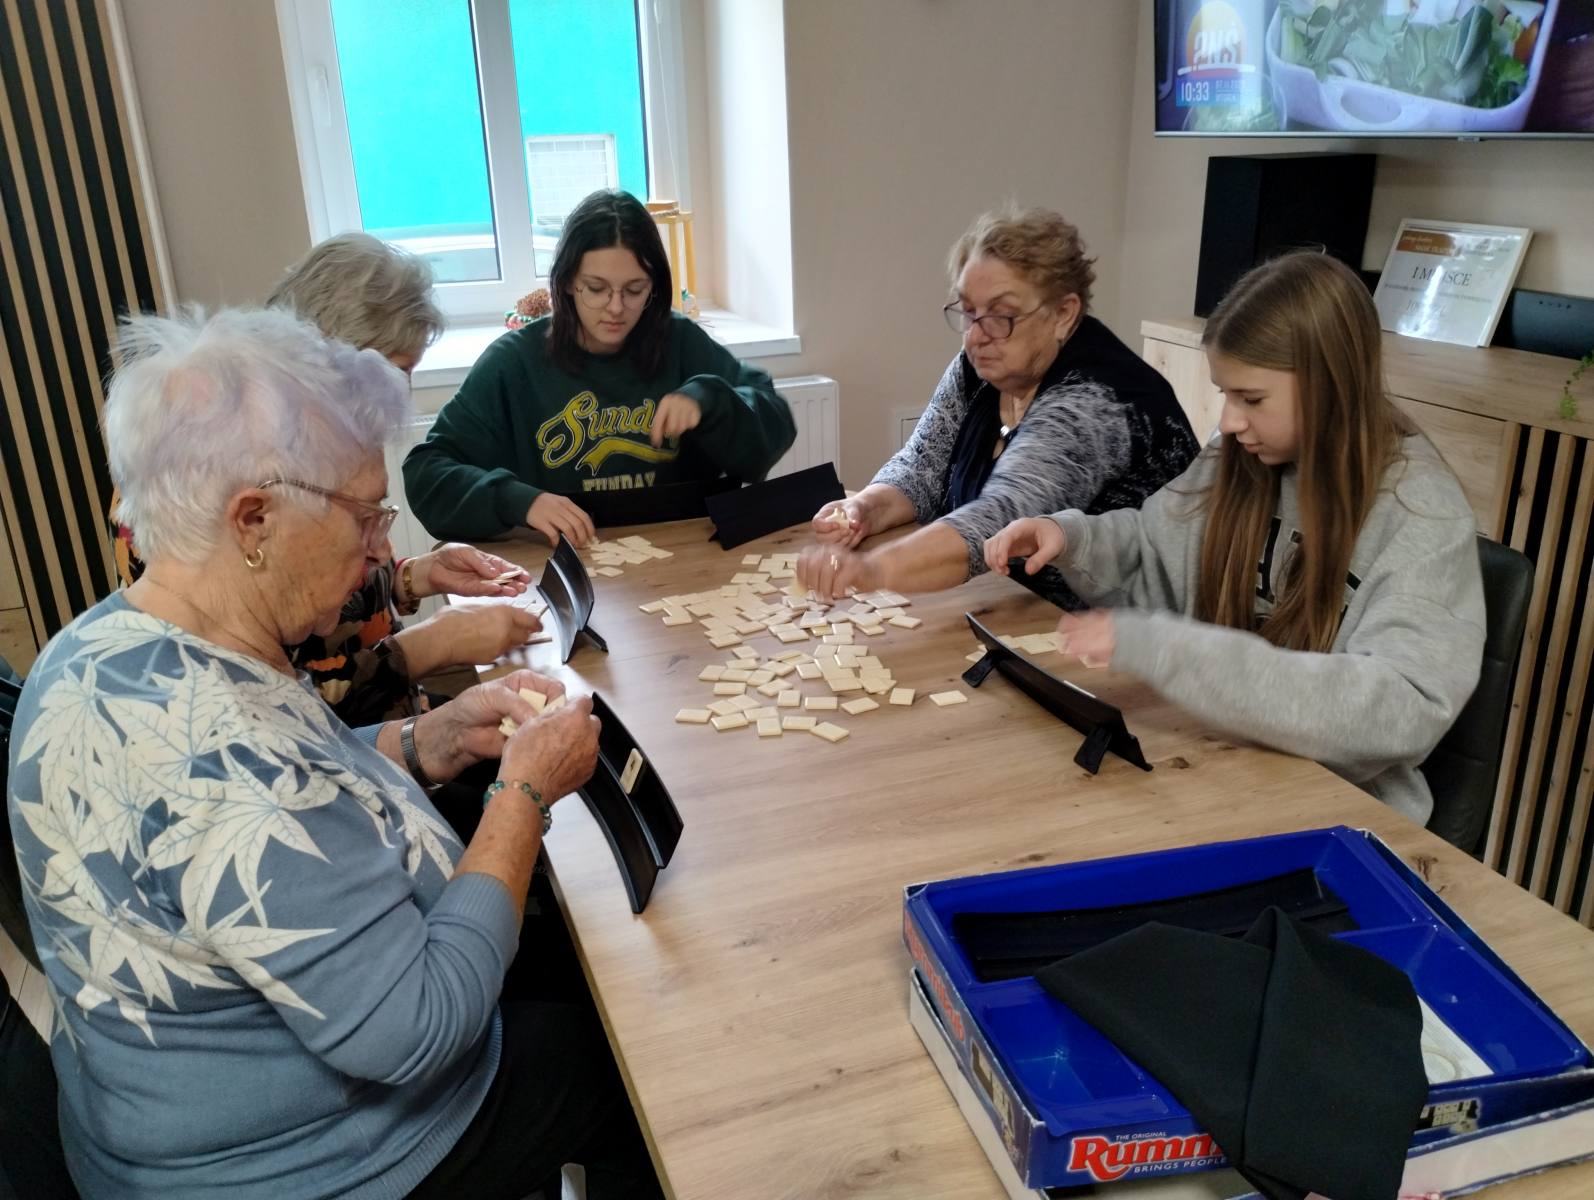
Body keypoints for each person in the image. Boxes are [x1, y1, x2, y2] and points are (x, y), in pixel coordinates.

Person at [9, 309, 662, 1199]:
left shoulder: (104, 644)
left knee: (579, 964)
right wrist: (522, 795)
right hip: (315, 1163)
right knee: (631, 1064)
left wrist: (423, 739)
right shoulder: (223, 759)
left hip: (182, 1118)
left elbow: (292, 778)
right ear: (253, 521)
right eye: (363, 514)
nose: (383, 547)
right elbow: (419, 1029)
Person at [983, 252, 1485, 826]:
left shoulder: (1421, 514)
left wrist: (1174, 651)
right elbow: (1154, 548)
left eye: (1251, 399)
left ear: (1329, 386)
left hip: (1340, 822)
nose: (1227, 421)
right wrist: (1069, 536)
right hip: (1215, 770)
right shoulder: (1238, 457)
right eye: (1225, 394)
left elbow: (1399, 708)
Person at [112, 231, 543, 726]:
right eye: (393, 371)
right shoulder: (195, 490)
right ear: (324, 357)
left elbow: (319, 587)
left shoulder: (303, 450)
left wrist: (413, 576)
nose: (398, 395)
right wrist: (430, 645)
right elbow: (280, 711)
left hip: (389, 728)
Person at [796, 205, 1198, 604]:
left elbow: (998, 519)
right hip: (1013, 605)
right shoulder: (984, 366)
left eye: (1001, 315)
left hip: (1123, 632)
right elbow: (922, 465)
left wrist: (872, 570)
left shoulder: (1097, 398)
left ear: (1063, 314)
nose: (976, 335)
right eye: (970, 312)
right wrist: (865, 507)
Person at [403, 189, 796, 545]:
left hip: (685, 556)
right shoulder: (515, 362)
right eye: (596, 288)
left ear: (654, 287)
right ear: (568, 282)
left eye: (634, 289)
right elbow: (427, 473)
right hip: (568, 567)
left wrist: (712, 399)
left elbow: (774, 423)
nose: (615, 307)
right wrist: (518, 501)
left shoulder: (679, 341)